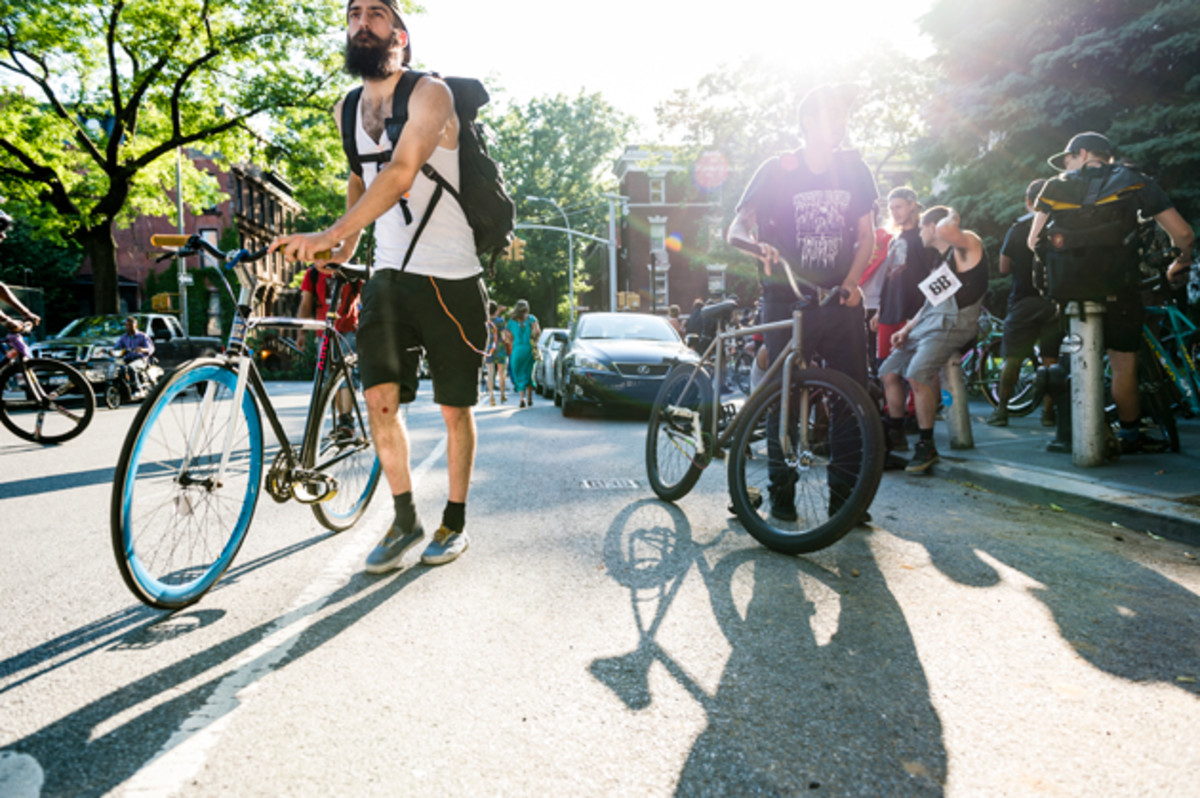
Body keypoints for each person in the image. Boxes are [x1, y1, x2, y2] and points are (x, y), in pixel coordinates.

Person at [269, 0, 488, 572]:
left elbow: (399, 172)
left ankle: (454, 522)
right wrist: (342, 249)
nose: (362, 22)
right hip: (388, 276)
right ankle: (405, 517)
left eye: (377, 13)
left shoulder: (430, 94)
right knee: (380, 402)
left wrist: (333, 231)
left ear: (400, 34)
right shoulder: (347, 108)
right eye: (353, 14)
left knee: (453, 408)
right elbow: (359, 175)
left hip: (451, 278)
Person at [727, 83, 879, 522]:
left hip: (839, 298)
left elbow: (867, 234)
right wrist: (758, 249)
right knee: (784, 399)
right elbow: (737, 227)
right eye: (831, 113)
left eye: (843, 114)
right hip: (786, 299)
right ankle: (782, 498)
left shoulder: (855, 169)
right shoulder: (778, 169)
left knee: (852, 400)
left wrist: (852, 282)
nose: (840, 122)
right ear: (808, 121)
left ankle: (847, 501)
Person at [1029, 131, 1194, 453]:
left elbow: (1033, 241)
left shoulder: (1053, 186)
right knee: (1123, 365)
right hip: (1120, 289)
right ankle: (1131, 435)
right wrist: (1180, 261)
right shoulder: (1135, 181)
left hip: (1070, 293)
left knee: (1076, 361)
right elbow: (1183, 233)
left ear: (1085, 153)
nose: (1066, 165)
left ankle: (1083, 433)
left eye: (1069, 157)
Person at [879, 206, 989, 473]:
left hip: (953, 325)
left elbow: (947, 229)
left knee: (917, 373)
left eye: (922, 227)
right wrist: (906, 329)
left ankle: (927, 446)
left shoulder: (968, 247)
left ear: (932, 227)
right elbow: (931, 303)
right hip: (927, 326)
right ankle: (897, 437)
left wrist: (950, 213)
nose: (919, 233)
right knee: (888, 372)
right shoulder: (941, 262)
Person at [988, 179, 1061, 428]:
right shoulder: (1058, 225)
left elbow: (1003, 267)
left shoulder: (1018, 228)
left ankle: (1001, 411)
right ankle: (1049, 414)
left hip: (1024, 300)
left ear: (1028, 202)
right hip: (1054, 301)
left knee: (1013, 358)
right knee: (1053, 358)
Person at [872, 187, 933, 455]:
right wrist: (878, 310)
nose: (893, 212)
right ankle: (894, 428)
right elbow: (890, 277)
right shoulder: (894, 239)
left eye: (898, 206)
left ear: (912, 205)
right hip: (888, 313)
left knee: (916, 373)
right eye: (890, 207)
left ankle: (917, 428)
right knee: (887, 371)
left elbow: (933, 278)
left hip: (913, 313)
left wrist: (918, 313)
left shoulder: (923, 238)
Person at [297, 265, 362, 436]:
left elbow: (368, 300)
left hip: (348, 329)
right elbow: (306, 303)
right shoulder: (313, 274)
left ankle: (347, 419)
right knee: (328, 378)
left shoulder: (351, 271)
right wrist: (301, 332)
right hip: (323, 332)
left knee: (347, 375)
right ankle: (342, 420)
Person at [505, 299, 540, 408]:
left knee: (519, 373)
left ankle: (522, 398)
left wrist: (513, 342)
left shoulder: (511, 321)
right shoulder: (531, 319)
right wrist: (534, 340)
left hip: (517, 350)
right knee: (528, 372)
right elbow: (537, 332)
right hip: (529, 349)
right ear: (527, 308)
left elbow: (507, 338)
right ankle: (529, 398)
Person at [115, 316, 156, 395]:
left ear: (135, 325)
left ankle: (137, 388)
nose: (128, 327)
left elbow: (151, 349)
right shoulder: (124, 337)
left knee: (131, 368)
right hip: (128, 359)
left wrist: (143, 350)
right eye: (127, 325)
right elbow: (116, 346)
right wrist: (107, 351)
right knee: (116, 367)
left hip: (141, 359)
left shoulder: (143, 336)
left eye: (130, 325)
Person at [484, 300, 510, 405]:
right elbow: (504, 336)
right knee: (501, 373)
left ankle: (491, 396)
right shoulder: (500, 321)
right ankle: (502, 395)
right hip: (500, 349)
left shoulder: (485, 321)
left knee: (490, 372)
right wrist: (507, 341)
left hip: (489, 348)